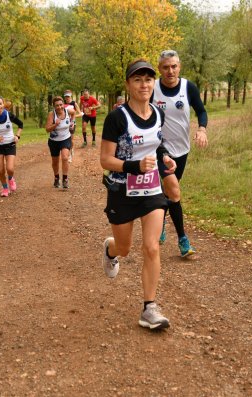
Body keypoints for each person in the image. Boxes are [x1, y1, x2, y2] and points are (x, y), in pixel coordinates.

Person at [100, 59, 177, 331]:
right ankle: (110, 251)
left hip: (151, 189)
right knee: (125, 247)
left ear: (153, 83)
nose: (144, 84)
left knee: (152, 247)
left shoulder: (158, 113)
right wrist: (133, 166)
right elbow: (105, 160)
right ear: (128, 85)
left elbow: (155, 144)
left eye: (148, 79)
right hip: (121, 190)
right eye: (137, 79)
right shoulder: (117, 118)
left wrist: (165, 158)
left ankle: (149, 308)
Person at [152, 49, 208, 257]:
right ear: (159, 69)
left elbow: (201, 111)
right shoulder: (153, 88)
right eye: (166, 67)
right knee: (173, 189)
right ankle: (183, 240)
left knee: (169, 191)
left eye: (174, 66)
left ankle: (161, 222)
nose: (170, 71)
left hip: (182, 148)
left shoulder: (188, 87)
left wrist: (202, 129)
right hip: (158, 147)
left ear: (179, 67)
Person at [45, 96, 75, 189]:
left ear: (63, 104)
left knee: (65, 158)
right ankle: (56, 177)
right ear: (54, 106)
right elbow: (47, 129)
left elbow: (74, 113)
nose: (59, 107)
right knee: (55, 161)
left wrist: (72, 122)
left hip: (65, 138)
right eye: (57, 105)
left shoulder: (67, 111)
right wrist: (55, 124)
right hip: (54, 141)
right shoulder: (51, 114)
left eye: (61, 105)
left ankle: (65, 179)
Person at [63, 90, 81, 163]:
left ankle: (70, 154)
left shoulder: (74, 104)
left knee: (71, 140)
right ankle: (68, 154)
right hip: (64, 124)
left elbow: (80, 114)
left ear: (70, 96)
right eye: (66, 96)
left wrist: (73, 116)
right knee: (65, 139)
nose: (67, 98)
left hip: (72, 123)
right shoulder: (62, 104)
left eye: (68, 96)